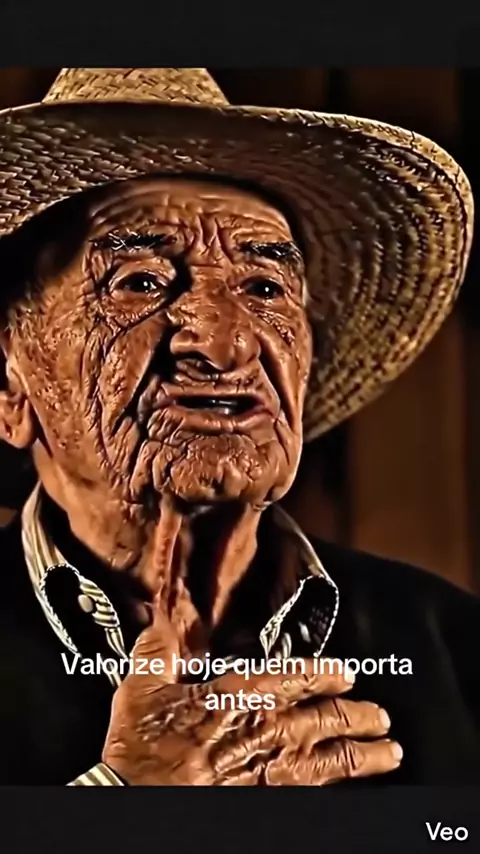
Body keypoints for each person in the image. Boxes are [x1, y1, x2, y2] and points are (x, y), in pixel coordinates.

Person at [0, 67, 478, 786]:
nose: (227, 346)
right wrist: (128, 799)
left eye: (264, 287)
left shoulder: (455, 645)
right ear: (9, 385)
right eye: (140, 282)